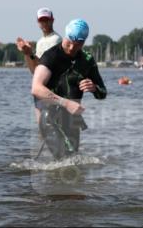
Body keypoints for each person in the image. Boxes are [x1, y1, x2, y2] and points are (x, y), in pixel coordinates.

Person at [31, 19, 107, 159]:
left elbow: (103, 93)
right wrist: (66, 103)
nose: (72, 47)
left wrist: (94, 88)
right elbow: (36, 88)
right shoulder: (51, 56)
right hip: (50, 115)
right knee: (63, 158)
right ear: (65, 36)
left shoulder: (87, 60)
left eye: (77, 44)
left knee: (72, 160)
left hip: (72, 118)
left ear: (83, 42)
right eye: (69, 42)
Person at [16, 8, 62, 73]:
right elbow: (35, 69)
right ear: (38, 22)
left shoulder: (56, 39)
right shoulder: (40, 42)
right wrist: (27, 53)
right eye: (41, 20)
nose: (44, 23)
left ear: (52, 20)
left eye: (47, 20)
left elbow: (46, 65)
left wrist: (30, 53)